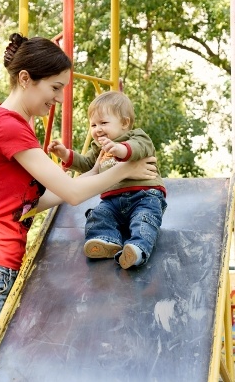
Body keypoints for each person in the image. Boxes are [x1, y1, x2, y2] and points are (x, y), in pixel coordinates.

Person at [0, 33, 158, 382]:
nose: (58, 98)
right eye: (55, 88)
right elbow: (73, 195)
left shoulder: (13, 126)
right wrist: (127, 169)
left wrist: (107, 170)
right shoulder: (5, 125)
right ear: (26, 78)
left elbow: (42, 200)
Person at [48, 90, 167, 269]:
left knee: (145, 219)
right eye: (93, 125)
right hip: (112, 201)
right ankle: (106, 241)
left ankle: (137, 250)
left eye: (103, 123)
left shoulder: (137, 136)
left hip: (144, 196)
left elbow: (137, 149)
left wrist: (119, 149)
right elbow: (87, 164)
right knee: (98, 215)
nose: (97, 129)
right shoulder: (100, 150)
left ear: (125, 123)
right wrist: (65, 154)